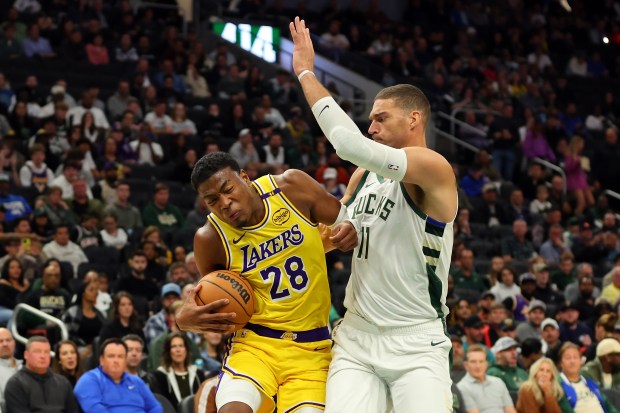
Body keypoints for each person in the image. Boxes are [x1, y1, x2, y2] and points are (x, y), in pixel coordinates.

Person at [290, 17, 458, 412]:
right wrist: (339, 234)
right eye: (371, 120)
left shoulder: (434, 169)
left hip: (417, 342)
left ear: (414, 119)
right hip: (357, 336)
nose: (371, 126)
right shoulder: (364, 176)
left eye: (380, 118)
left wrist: (305, 72)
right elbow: (332, 237)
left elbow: (348, 145)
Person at [175, 150, 357, 413]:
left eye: (228, 189)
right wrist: (184, 320)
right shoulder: (210, 238)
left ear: (245, 178)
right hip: (256, 345)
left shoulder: (291, 189)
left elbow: (348, 222)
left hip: (312, 349)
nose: (224, 202)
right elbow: (216, 302)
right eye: (213, 200)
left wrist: (350, 227)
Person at [4, 336, 78, 413]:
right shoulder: (16, 384)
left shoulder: (63, 383)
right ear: (26, 355)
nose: (43, 356)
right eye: (37, 351)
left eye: (46, 352)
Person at [558, 342, 618, 413]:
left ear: (580, 361)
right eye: (568, 358)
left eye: (575, 357)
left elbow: (607, 404)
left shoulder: (590, 383)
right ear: (561, 363)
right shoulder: (558, 385)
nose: (572, 361)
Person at [150, 332, 206, 407]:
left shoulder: (198, 374)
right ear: (168, 351)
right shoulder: (160, 376)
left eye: (181, 346)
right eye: (174, 346)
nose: (178, 350)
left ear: (186, 350)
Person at [457, 344, 516, 413]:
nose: (478, 366)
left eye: (481, 361)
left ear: (486, 364)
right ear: (466, 365)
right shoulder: (462, 387)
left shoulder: (498, 382)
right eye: (473, 362)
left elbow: (510, 410)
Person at [0, 328, 22, 412]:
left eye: (8, 340)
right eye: (0, 341)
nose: (5, 344)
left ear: (14, 343)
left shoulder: (24, 367)